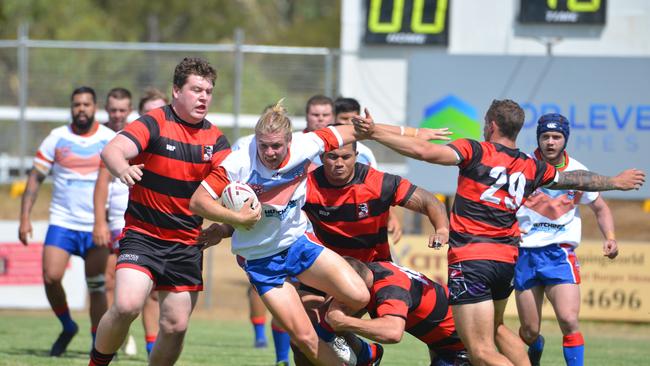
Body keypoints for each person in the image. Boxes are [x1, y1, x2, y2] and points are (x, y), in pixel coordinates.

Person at [352, 99, 645, 366]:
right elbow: (574, 179)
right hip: (506, 261)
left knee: (480, 351)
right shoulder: (531, 165)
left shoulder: (475, 150)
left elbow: (425, 151)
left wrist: (374, 133)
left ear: (491, 126)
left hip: (471, 260)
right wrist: (615, 182)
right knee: (497, 329)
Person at [189, 101, 380, 365]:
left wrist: (408, 134)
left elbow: (355, 132)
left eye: (276, 145)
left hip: (298, 244)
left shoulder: (307, 144)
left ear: (290, 141)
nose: (268, 152)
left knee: (359, 295)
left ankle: (344, 339)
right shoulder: (239, 162)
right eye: (263, 145)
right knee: (305, 339)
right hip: (261, 262)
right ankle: (353, 355)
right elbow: (198, 201)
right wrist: (234, 219)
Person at [89, 57, 231, 366]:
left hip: (186, 244)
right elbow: (112, 150)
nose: (204, 97)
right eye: (196, 89)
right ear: (176, 91)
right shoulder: (154, 122)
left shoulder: (217, 141)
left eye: (208, 91)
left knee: (175, 326)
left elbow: (234, 194)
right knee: (126, 305)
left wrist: (225, 227)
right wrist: (122, 167)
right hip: (143, 235)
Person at [515, 113, 619, 366]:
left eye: (556, 137)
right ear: (538, 138)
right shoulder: (521, 166)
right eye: (545, 136)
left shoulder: (578, 172)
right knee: (529, 331)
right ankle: (535, 352)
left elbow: (600, 208)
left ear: (565, 140)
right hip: (524, 253)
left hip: (559, 255)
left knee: (569, 320)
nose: (550, 142)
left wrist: (611, 237)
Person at [18, 86, 115, 356]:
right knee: (51, 276)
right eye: (76, 105)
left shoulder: (109, 139)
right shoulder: (56, 138)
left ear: (95, 107)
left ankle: (100, 346)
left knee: (96, 285)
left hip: (96, 225)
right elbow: (35, 178)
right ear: (71, 108)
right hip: (62, 222)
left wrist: (109, 222)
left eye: (86, 104)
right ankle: (67, 325)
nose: (81, 109)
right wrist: (25, 217)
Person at [92, 87, 169, 357]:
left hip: (156, 223)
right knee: (115, 283)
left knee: (153, 292)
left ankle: (150, 345)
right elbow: (103, 181)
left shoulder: (174, 142)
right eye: (148, 111)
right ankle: (110, 339)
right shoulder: (128, 140)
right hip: (122, 219)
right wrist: (99, 220)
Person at [326, 257, 469, 366]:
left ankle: (367, 355)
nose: (340, 299)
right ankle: (367, 354)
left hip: (462, 349)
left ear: (353, 283)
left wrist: (343, 321)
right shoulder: (373, 271)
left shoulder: (390, 290)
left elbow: (392, 333)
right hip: (448, 343)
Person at [334, 97, 402, 243]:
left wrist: (392, 217)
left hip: (360, 220)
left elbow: (377, 187)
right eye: (343, 118)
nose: (347, 123)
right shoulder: (322, 149)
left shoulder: (365, 153)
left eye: (352, 119)